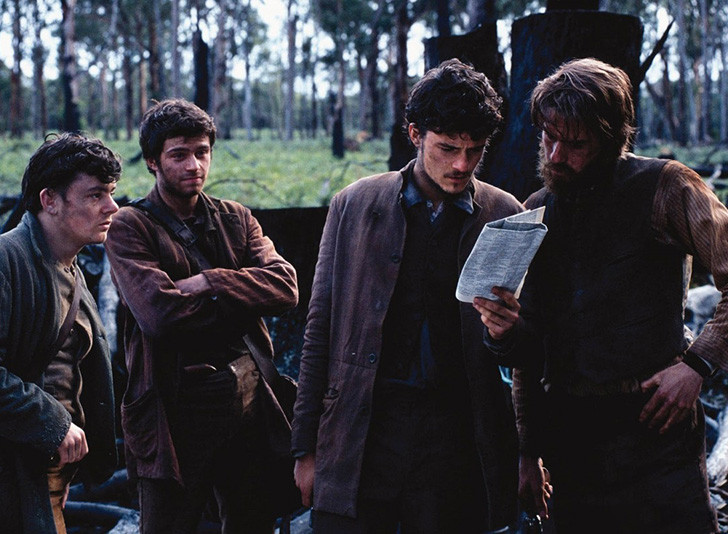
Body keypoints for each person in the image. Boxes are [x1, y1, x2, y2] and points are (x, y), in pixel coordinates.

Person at [475, 58, 727, 533]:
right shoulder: (537, 210)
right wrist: (527, 450)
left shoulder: (666, 187)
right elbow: (532, 353)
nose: (555, 156)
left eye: (576, 145)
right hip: (572, 440)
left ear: (611, 140)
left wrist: (697, 365)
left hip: (657, 433)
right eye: (548, 137)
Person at [291, 59, 522, 533]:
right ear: (415, 135)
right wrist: (305, 449)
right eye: (448, 148)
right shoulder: (355, 205)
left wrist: (507, 333)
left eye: (475, 151)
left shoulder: (503, 215)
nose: (461, 165)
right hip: (362, 431)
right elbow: (320, 330)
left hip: (456, 441)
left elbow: (526, 352)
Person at [104, 98, 298, 534]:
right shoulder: (131, 226)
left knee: (252, 521)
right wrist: (243, 297)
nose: (194, 165)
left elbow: (285, 287)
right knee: (169, 524)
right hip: (174, 407)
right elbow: (160, 315)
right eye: (179, 154)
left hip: (248, 396)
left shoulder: (236, 218)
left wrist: (212, 281)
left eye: (202, 152)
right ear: (152, 161)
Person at [0, 132, 121, 533]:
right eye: (95, 195)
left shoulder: (69, 267)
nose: (111, 207)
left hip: (39, 477)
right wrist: (53, 423)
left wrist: (62, 472)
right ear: (49, 200)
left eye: (111, 193)